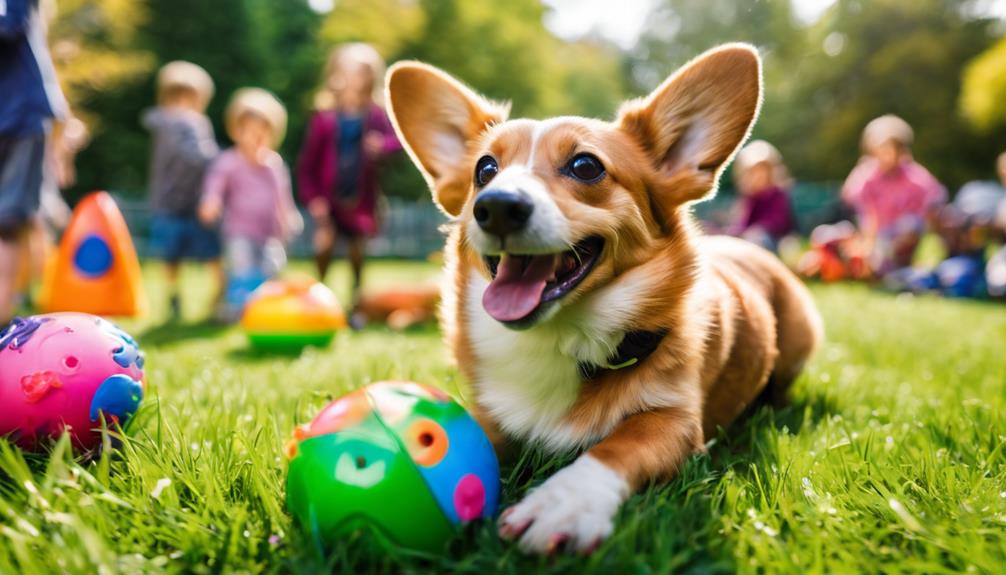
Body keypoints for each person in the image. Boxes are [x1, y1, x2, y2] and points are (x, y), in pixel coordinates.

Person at [297, 43, 401, 315]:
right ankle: (318, 299)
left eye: (361, 73)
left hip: (360, 199)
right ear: (336, 73)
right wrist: (313, 198)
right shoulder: (324, 117)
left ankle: (356, 303)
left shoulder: (376, 114)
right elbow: (307, 165)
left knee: (357, 250)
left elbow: (398, 142)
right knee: (325, 246)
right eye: (348, 71)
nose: (354, 78)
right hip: (329, 200)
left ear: (370, 77)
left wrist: (382, 146)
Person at [200, 88, 302, 321]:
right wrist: (210, 200)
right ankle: (234, 311)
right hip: (239, 231)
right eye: (250, 130)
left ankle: (263, 311)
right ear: (237, 130)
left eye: (263, 131)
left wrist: (289, 217)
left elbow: (282, 197)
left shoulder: (273, 165)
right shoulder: (229, 162)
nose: (256, 137)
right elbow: (214, 185)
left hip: (269, 233)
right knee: (242, 269)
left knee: (271, 269)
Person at [0, 0, 69, 324]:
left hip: (18, 119)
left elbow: (9, 24)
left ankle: (5, 310)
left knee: (10, 220)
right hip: (16, 116)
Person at [141, 60, 221, 321]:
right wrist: (219, 158)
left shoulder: (173, 123)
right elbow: (199, 156)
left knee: (196, 253)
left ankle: (213, 296)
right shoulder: (187, 123)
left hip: (185, 202)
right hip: (179, 202)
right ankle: (182, 296)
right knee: (181, 254)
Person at [841, 114, 946, 276]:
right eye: (884, 150)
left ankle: (902, 263)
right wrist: (870, 241)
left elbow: (935, 197)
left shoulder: (913, 174)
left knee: (909, 225)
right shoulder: (867, 174)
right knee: (877, 260)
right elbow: (864, 210)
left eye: (895, 149)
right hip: (879, 234)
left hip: (904, 234)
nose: (889, 156)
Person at [728, 140, 796, 252]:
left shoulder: (776, 194)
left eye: (761, 171)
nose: (757, 176)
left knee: (756, 239)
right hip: (752, 236)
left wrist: (756, 229)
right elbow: (744, 223)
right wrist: (733, 232)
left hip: (775, 239)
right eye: (753, 172)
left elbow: (777, 222)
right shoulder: (751, 198)